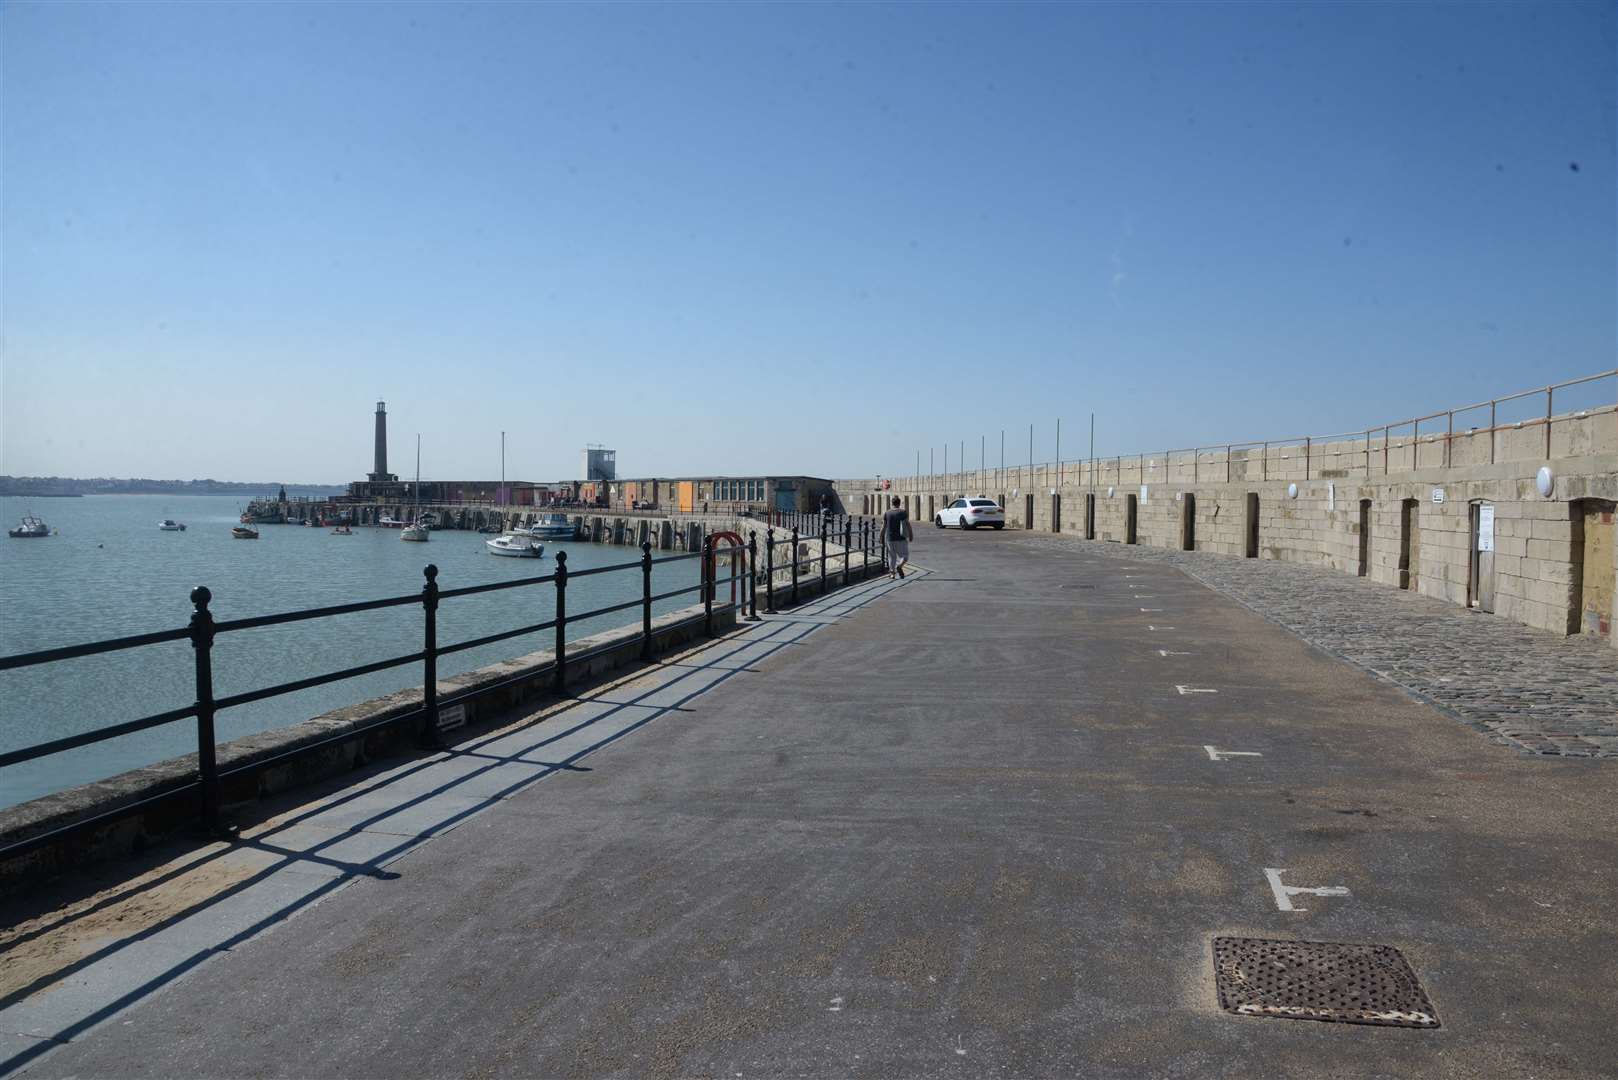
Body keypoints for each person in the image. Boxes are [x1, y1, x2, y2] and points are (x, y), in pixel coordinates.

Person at [883, 495, 912, 579]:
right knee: (905, 556)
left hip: (889, 538)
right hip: (901, 538)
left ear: (892, 503)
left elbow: (884, 526)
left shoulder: (887, 513)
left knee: (891, 556)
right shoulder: (903, 512)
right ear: (899, 503)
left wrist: (881, 536)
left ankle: (892, 574)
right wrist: (911, 534)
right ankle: (899, 566)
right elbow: (907, 524)